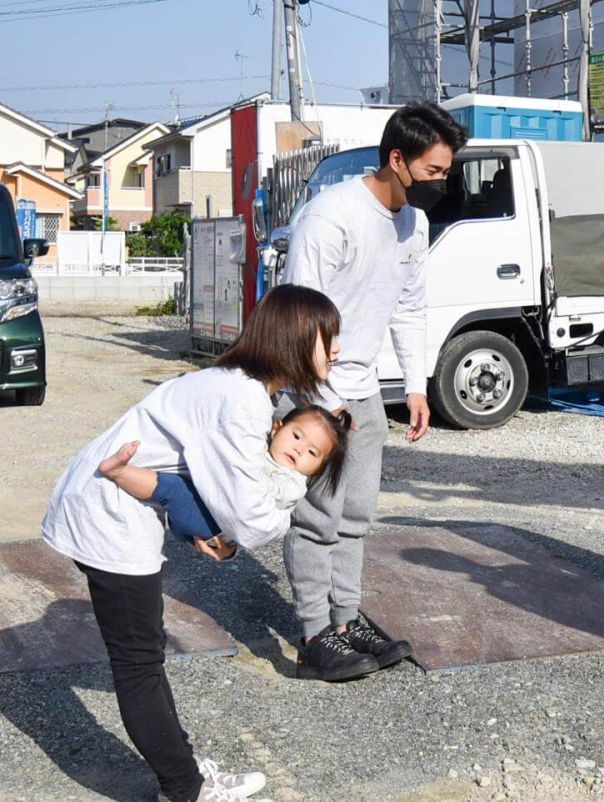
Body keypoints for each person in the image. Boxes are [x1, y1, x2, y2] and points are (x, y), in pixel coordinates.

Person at [41, 284, 343, 802]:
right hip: (108, 511)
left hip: (115, 502)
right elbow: (249, 518)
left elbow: (203, 486)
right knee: (138, 664)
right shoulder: (242, 400)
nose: (336, 350)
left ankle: (183, 777)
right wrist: (242, 528)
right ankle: (184, 788)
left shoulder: (243, 386)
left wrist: (206, 528)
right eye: (328, 339)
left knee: (144, 656)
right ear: (295, 337)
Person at [281, 101, 468, 682]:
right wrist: (321, 398)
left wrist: (416, 385)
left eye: (447, 171)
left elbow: (409, 309)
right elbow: (298, 314)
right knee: (317, 516)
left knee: (357, 515)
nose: (444, 182)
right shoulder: (331, 216)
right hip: (315, 390)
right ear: (396, 159)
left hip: (363, 391)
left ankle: (346, 619)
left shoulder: (415, 224)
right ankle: (314, 634)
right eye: (435, 171)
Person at [97, 404, 351, 553]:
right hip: (209, 509)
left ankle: (119, 471)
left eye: (312, 452)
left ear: (316, 470)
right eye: (297, 436)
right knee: (177, 478)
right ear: (277, 428)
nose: (299, 449)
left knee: (173, 488)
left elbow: (253, 490)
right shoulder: (259, 445)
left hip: (214, 526)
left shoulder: (293, 484)